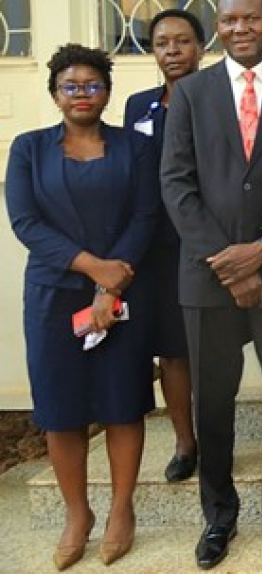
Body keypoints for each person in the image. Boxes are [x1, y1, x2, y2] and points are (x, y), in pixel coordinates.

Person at [161, 0, 262, 570]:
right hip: (207, 281)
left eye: (250, 18)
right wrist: (228, 263)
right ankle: (218, 518)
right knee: (213, 405)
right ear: (218, 28)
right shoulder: (193, 94)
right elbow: (175, 185)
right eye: (228, 20)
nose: (239, 28)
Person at [6, 44, 159, 570]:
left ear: (107, 92)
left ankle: (121, 510)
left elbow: (145, 217)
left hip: (122, 291)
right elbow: (26, 223)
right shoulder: (28, 149)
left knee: (122, 401)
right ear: (55, 94)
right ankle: (78, 514)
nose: (82, 94)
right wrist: (95, 270)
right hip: (54, 294)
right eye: (71, 86)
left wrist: (109, 289)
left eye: (92, 85)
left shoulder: (135, 149)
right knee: (60, 408)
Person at [124, 9, 204, 485]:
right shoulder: (139, 106)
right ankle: (184, 441)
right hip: (155, 247)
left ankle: (216, 438)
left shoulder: (216, 97)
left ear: (200, 45)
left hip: (204, 242)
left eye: (182, 42)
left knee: (209, 348)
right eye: (162, 43)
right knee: (171, 351)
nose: (172, 52)